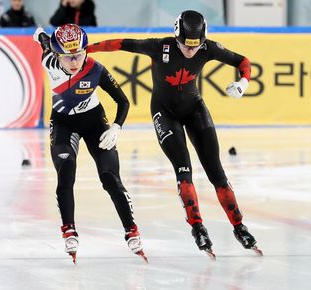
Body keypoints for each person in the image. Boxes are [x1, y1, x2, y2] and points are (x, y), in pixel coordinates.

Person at [86, 10, 262, 258]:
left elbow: (243, 61)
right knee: (184, 169)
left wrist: (244, 82)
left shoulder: (208, 48)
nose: (190, 51)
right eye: (184, 45)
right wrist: (87, 50)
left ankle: (239, 226)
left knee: (217, 172)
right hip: (164, 113)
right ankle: (197, 226)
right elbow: (122, 44)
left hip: (195, 110)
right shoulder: (160, 47)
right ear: (176, 36)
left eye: (195, 46)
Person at [33, 24, 146, 264]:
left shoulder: (96, 69)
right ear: (57, 55)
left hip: (94, 121)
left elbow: (123, 101)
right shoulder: (49, 61)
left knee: (110, 177)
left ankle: (131, 229)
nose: (74, 62)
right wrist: (41, 35)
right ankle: (69, 230)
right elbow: (44, 41)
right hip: (63, 123)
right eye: (68, 57)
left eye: (79, 55)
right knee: (66, 171)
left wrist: (117, 126)